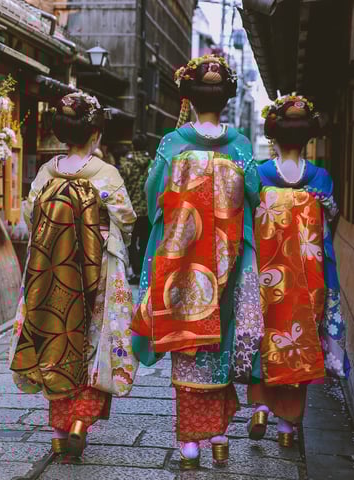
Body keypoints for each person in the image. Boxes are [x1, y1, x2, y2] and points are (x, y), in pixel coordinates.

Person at [130, 55, 264, 470]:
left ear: (186, 95)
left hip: (185, 261)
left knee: (186, 339)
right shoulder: (240, 145)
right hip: (229, 261)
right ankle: (221, 437)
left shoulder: (174, 144)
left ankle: (190, 443)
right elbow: (256, 196)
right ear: (227, 97)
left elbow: (154, 197)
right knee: (221, 338)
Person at [8, 91, 138, 457]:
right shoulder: (106, 173)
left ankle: (58, 433)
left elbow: (32, 217)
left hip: (52, 268)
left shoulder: (46, 172)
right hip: (98, 268)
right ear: (95, 133)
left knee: (57, 337)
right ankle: (82, 420)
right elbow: (125, 219)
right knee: (95, 342)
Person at [247, 93, 351, 447]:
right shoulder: (320, 178)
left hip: (266, 272)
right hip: (308, 274)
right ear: (308, 137)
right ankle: (288, 426)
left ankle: (260, 406)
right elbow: (327, 225)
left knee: (264, 333)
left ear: (271, 136)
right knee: (299, 338)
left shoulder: (260, 174)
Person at [119, 134, 153, 285]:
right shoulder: (152, 164)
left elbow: (120, 187)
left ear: (133, 145)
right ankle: (143, 270)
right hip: (147, 210)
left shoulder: (126, 164)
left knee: (130, 242)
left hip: (130, 209)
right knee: (145, 241)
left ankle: (135, 271)